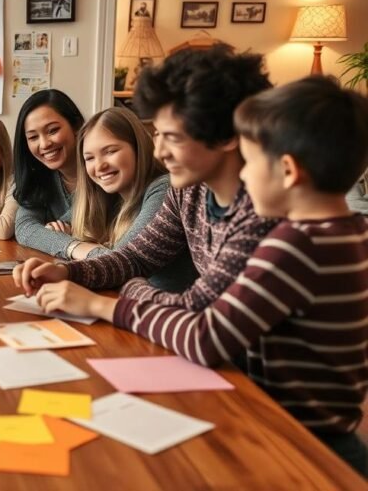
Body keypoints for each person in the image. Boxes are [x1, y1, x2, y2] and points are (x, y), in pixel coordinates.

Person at [28, 76, 368, 475]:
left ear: (288, 171)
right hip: (288, 419)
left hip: (297, 438)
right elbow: (138, 258)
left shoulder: (290, 242)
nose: (160, 151)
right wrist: (71, 270)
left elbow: (204, 334)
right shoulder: (346, 230)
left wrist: (109, 303)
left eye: (252, 160)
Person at [14, 45, 278, 312]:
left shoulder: (261, 212)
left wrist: (101, 303)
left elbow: (199, 314)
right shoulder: (187, 193)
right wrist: (66, 273)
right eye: (158, 135)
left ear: (227, 136)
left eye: (172, 137)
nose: (160, 152)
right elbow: (134, 259)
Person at [66, 108, 196, 290]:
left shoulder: (165, 187)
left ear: (138, 147)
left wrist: (74, 248)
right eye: (89, 158)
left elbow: (122, 262)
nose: (100, 166)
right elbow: (32, 231)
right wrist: (72, 247)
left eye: (110, 151)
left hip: (162, 310)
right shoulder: (108, 195)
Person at [12, 89, 85, 257]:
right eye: (33, 137)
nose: (44, 144)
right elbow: (25, 228)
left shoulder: (101, 173)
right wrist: (68, 243)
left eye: (52, 130)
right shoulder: (39, 176)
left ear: (76, 125)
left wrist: (55, 232)